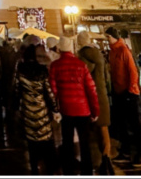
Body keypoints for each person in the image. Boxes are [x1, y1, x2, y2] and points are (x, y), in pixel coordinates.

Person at [49, 36, 99, 176]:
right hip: (83, 109)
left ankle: (68, 169)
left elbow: (53, 89)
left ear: (59, 48)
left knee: (67, 141)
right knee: (85, 143)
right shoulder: (80, 65)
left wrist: (58, 105)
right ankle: (87, 170)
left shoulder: (55, 66)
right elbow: (91, 89)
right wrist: (95, 110)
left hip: (66, 109)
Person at [106, 27, 141, 168]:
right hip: (119, 92)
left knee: (135, 124)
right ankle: (127, 151)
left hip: (128, 92)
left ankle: (140, 153)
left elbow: (132, 71)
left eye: (108, 37)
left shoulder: (123, 51)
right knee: (123, 124)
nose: (107, 40)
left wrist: (131, 88)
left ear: (114, 37)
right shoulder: (113, 52)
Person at [16, 43, 59, 175]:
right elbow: (48, 93)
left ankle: (34, 169)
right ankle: (49, 169)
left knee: (31, 144)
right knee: (46, 141)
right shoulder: (41, 70)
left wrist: (17, 108)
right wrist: (55, 109)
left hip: (28, 112)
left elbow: (16, 92)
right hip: (42, 112)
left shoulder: (21, 71)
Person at [77, 31, 112, 169]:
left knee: (92, 130)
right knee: (103, 127)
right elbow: (106, 76)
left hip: (90, 94)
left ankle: (99, 160)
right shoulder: (98, 54)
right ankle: (106, 157)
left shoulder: (83, 55)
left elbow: (83, 75)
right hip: (102, 93)